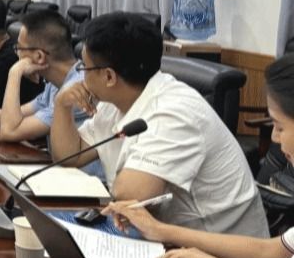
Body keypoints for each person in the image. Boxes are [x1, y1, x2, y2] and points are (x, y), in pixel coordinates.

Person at [101, 54, 294, 258]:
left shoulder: (177, 109)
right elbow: (270, 251)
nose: (274, 137)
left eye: (279, 126)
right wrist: (162, 231)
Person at [50, 12, 265, 236]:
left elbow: (131, 197)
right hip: (166, 237)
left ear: (109, 77)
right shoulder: (116, 101)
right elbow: (70, 155)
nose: (81, 77)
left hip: (218, 248)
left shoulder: (174, 112)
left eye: (84, 68)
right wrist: (61, 106)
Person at [0, 11, 100, 175]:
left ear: (39, 56)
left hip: (88, 184)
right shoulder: (58, 83)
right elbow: (19, 113)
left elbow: (9, 131)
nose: (16, 53)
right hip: (65, 175)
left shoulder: (75, 89)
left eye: (19, 48)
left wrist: (15, 73)